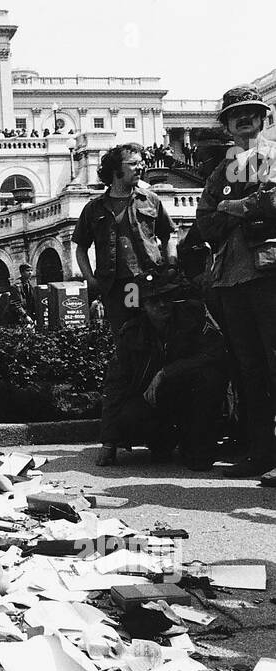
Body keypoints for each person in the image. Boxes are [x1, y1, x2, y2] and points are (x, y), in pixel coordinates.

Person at [196, 85, 276, 479]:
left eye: (251, 112)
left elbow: (272, 202)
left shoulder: (273, 157)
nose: (244, 119)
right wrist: (245, 207)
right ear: (226, 125)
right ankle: (262, 453)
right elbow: (205, 225)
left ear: (265, 118)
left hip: (269, 272)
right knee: (250, 370)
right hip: (230, 276)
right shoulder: (219, 172)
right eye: (235, 115)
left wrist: (234, 206)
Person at [96, 270, 228, 469]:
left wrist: (167, 372)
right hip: (154, 402)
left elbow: (215, 353)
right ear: (143, 306)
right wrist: (108, 441)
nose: (162, 305)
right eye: (153, 300)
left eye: (166, 298)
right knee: (128, 418)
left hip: (188, 397)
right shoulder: (131, 334)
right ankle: (162, 442)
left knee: (209, 377)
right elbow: (115, 384)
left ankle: (197, 443)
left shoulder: (192, 317)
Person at [72, 142, 175, 332]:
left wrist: (170, 266)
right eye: (133, 164)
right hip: (116, 286)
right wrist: (91, 280)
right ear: (116, 169)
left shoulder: (150, 200)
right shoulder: (94, 208)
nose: (141, 167)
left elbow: (168, 236)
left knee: (157, 335)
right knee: (128, 336)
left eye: (141, 163)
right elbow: (80, 248)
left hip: (149, 280)